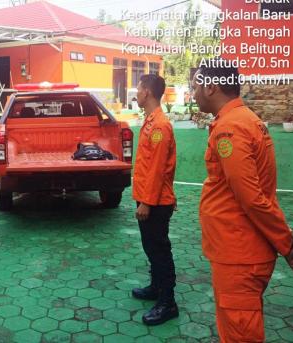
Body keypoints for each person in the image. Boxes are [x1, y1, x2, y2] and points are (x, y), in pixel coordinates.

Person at [193, 63, 293, 342]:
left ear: (210, 86)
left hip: (239, 254)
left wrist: (288, 244)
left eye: (194, 87)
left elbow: (252, 199)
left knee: (240, 335)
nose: (193, 94)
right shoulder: (244, 119)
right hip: (239, 249)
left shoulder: (231, 128)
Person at [131, 74, 179, 325]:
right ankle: (156, 288)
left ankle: (168, 302)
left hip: (155, 202)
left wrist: (146, 202)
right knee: (151, 247)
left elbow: (158, 169)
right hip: (151, 197)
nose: (135, 93)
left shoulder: (160, 126)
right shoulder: (151, 121)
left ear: (147, 92)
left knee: (159, 250)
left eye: (138, 89)